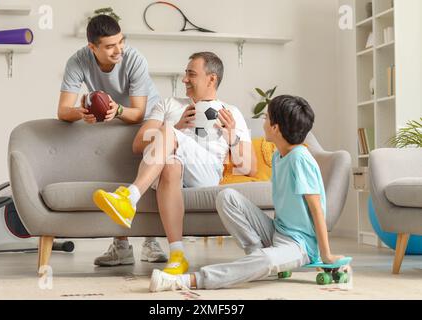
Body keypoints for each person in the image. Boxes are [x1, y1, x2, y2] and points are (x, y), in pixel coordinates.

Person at [148, 95, 344, 291]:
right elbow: (284, 202)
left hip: (300, 245)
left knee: (266, 260)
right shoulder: (278, 156)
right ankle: (256, 255)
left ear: (275, 128)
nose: (264, 122)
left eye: (266, 118)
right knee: (227, 197)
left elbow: (317, 210)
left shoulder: (300, 158)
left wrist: (325, 255)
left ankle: (189, 280)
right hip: (278, 232)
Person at [93, 52, 257, 275]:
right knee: (170, 163)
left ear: (212, 79)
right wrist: (177, 126)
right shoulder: (168, 104)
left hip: (205, 173)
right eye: (185, 74)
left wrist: (232, 137)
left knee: (168, 133)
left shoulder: (231, 113)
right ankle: (177, 255)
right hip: (169, 173)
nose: (185, 79)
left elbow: (249, 168)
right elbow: (138, 144)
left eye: (191, 74)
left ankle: (129, 196)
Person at [57, 14, 167, 266]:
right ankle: (121, 246)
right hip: (112, 116)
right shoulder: (78, 61)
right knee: (114, 175)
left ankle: (151, 242)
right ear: (92, 47)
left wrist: (117, 110)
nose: (118, 50)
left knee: (147, 177)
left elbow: (137, 112)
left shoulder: (134, 59)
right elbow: (63, 110)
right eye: (109, 46)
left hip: (146, 116)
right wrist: (82, 112)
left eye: (121, 42)